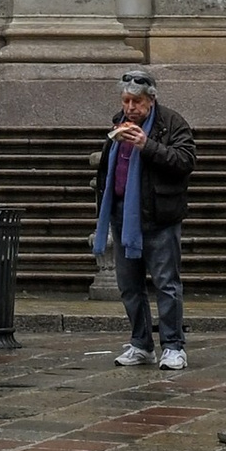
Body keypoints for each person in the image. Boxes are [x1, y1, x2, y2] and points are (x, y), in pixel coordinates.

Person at [90, 66, 196, 371]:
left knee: (166, 284)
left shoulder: (171, 123)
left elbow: (185, 161)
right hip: (123, 215)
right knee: (129, 286)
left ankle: (173, 346)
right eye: (126, 101)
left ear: (151, 100)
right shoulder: (117, 124)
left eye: (136, 102)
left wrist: (146, 145)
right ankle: (141, 344)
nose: (130, 108)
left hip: (159, 218)